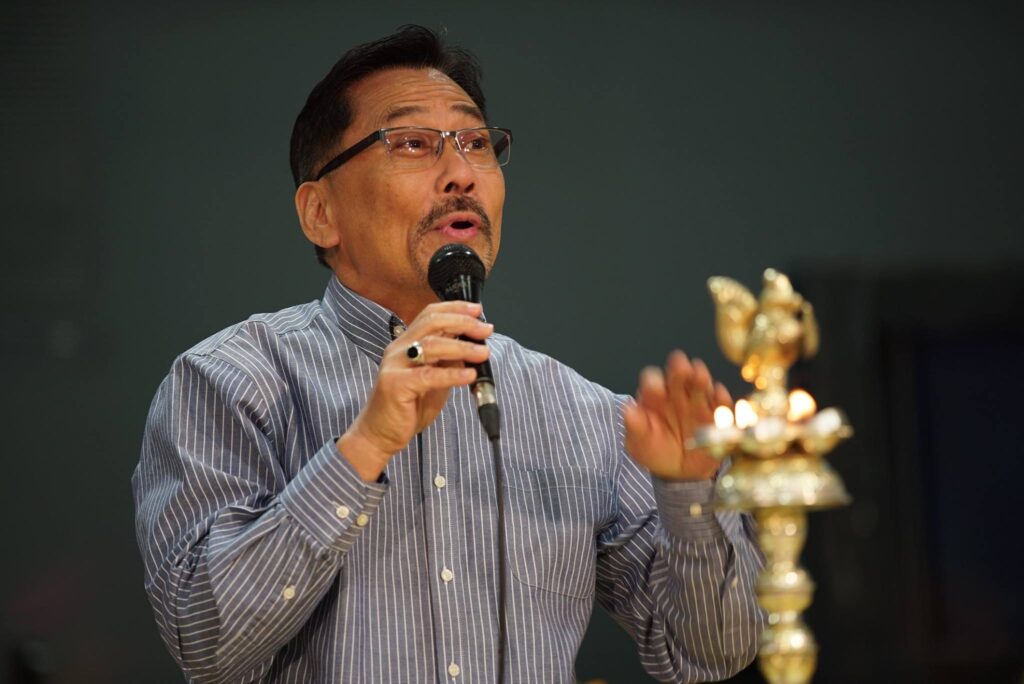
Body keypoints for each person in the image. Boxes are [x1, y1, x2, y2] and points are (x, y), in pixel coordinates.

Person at [133, 25, 765, 684]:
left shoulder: (581, 413)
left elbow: (711, 654)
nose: (462, 173)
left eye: (476, 143)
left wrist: (690, 496)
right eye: (412, 143)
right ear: (320, 212)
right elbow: (207, 641)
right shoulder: (228, 382)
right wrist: (366, 446)